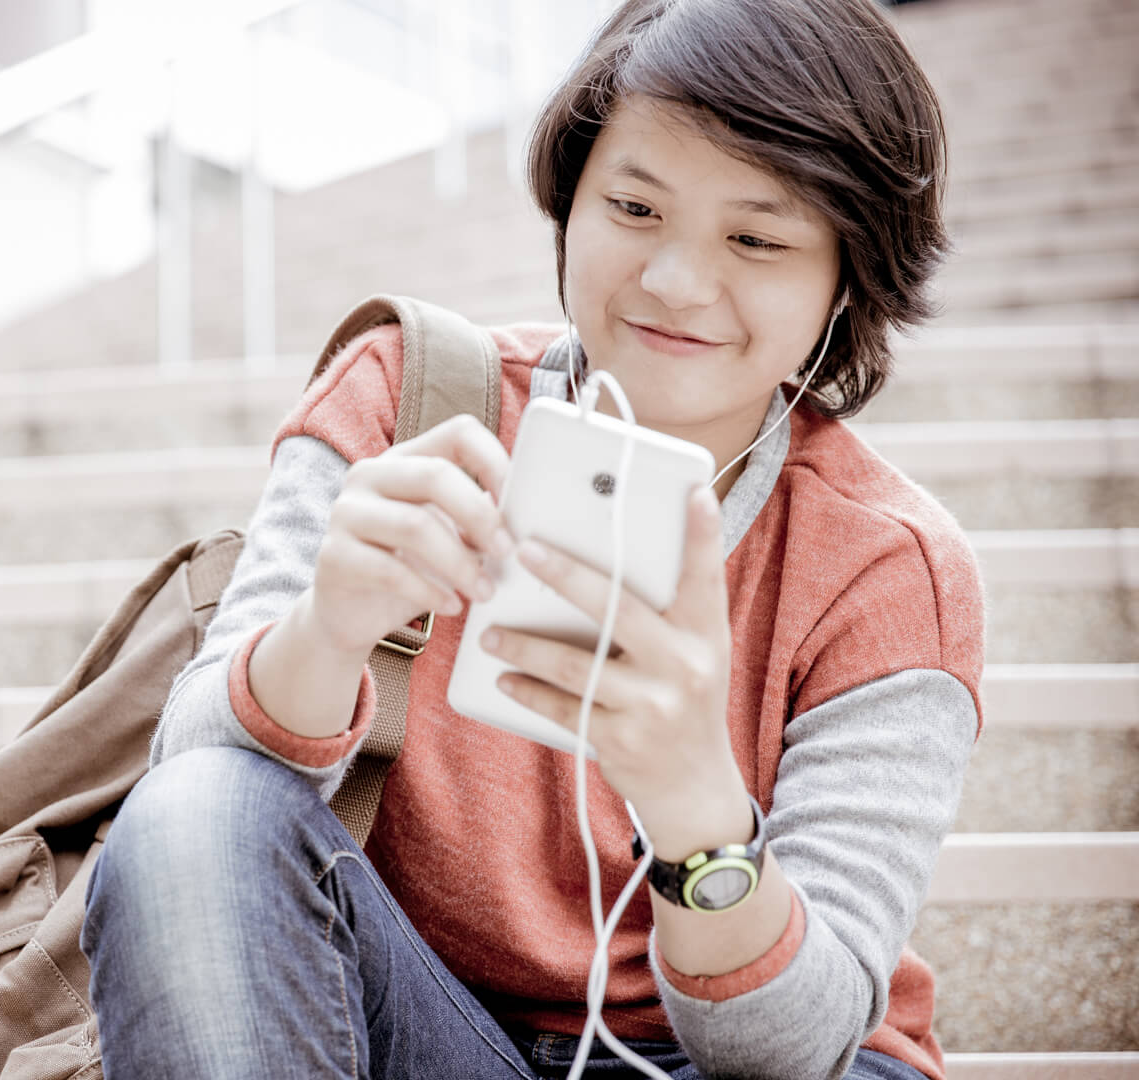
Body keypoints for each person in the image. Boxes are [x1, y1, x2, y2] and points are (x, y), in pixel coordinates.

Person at [79, 0, 985, 1076]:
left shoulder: (886, 570)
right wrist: (325, 634)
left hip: (734, 1060)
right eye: (634, 207)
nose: (675, 282)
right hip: (423, 1026)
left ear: (849, 272)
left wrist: (699, 811)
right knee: (193, 817)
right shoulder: (403, 403)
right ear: (572, 200)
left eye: (756, 237)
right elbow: (196, 807)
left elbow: (792, 1046)